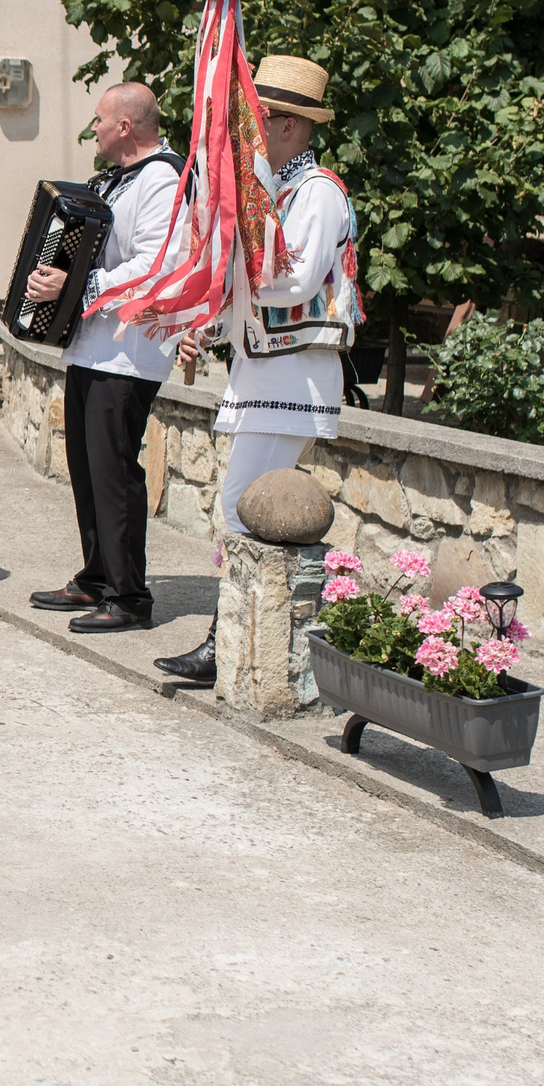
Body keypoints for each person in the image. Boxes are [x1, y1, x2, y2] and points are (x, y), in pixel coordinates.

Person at [155, 56, 361, 685]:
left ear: (289, 126)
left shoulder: (317, 191)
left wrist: (221, 273)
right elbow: (257, 295)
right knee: (241, 506)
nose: (246, 134)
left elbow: (294, 279)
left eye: (256, 121)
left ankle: (230, 644)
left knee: (244, 507)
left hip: (294, 378)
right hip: (269, 374)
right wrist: (209, 325)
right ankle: (236, 641)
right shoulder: (275, 195)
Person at [22, 83, 182, 635]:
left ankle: (129, 596)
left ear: (125, 127)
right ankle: (96, 575)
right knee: (87, 469)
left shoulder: (162, 179)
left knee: (114, 472)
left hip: (130, 352)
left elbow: (157, 266)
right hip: (93, 346)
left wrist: (75, 285)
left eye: (99, 121)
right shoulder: (116, 179)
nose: (92, 129)